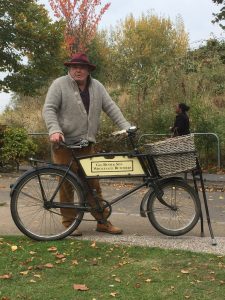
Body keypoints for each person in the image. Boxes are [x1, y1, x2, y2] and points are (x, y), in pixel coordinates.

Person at [42, 52, 131, 236]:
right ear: (69, 68)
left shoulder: (97, 86)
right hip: (64, 145)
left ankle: (103, 222)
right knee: (67, 185)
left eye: (82, 67)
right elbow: (49, 108)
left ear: (89, 70)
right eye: (74, 67)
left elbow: (111, 107)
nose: (78, 70)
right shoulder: (59, 84)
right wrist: (54, 130)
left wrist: (126, 127)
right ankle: (68, 223)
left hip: (87, 144)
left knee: (93, 184)